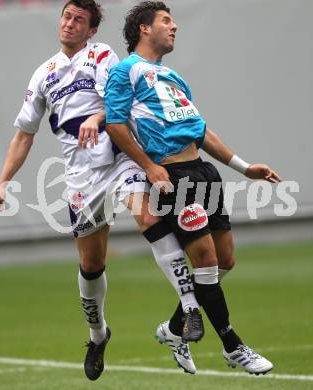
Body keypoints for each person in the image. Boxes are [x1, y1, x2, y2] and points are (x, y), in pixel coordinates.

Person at [0, 0, 208, 381]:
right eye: (67, 17)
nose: (70, 24)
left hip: (119, 158)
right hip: (80, 177)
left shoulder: (104, 56)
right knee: (91, 265)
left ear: (92, 31)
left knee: (146, 215)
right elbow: (24, 134)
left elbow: (117, 102)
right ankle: (98, 334)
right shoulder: (43, 74)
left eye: (79, 21)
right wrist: (2, 182)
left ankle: (190, 305)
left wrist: (97, 116)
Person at [105, 0, 281, 376]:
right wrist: (150, 167)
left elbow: (200, 131)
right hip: (175, 177)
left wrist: (244, 167)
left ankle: (172, 328)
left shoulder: (173, 77)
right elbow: (116, 126)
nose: (174, 27)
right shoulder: (125, 72)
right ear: (144, 28)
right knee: (204, 261)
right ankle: (233, 346)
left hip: (204, 172)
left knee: (223, 261)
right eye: (166, 20)